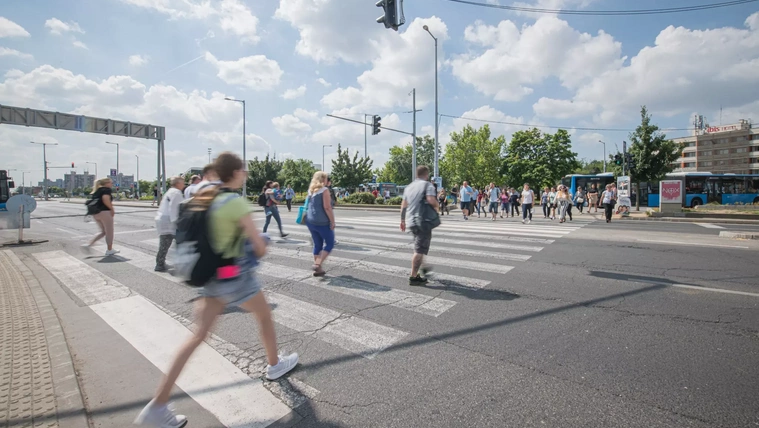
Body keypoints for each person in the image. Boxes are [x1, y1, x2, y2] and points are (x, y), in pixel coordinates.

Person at [134, 152, 298, 427]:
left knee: (197, 336)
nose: (245, 174)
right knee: (264, 315)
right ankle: (274, 365)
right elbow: (257, 246)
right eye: (242, 170)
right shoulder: (234, 202)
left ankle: (157, 405)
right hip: (234, 274)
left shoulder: (204, 196)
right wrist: (262, 243)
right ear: (234, 173)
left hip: (209, 275)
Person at [399, 166, 439, 285]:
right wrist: (437, 207)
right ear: (426, 175)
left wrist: (402, 220)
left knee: (419, 246)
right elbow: (431, 199)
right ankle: (413, 276)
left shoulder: (409, 187)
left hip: (411, 221)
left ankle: (424, 268)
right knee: (419, 249)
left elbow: (403, 205)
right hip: (423, 221)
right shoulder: (427, 185)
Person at [305, 172, 335, 277]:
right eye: (326, 178)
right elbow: (327, 207)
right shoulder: (324, 190)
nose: (327, 180)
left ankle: (319, 269)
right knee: (330, 244)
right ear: (323, 179)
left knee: (317, 244)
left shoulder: (311, 190)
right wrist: (332, 221)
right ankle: (317, 264)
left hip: (310, 221)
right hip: (322, 222)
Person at [154, 176, 185, 272]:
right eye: (183, 183)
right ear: (178, 183)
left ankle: (160, 263)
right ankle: (180, 264)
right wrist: (177, 222)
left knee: (164, 244)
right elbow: (174, 208)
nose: (184, 185)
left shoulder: (170, 191)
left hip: (163, 219)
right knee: (181, 242)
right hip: (169, 221)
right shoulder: (176, 192)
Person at [82, 178, 119, 256]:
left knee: (103, 232)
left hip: (96, 213)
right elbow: (105, 199)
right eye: (110, 182)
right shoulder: (106, 190)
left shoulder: (96, 191)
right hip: (105, 212)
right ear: (106, 183)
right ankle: (109, 249)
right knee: (109, 232)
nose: (111, 184)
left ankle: (88, 245)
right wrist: (111, 209)